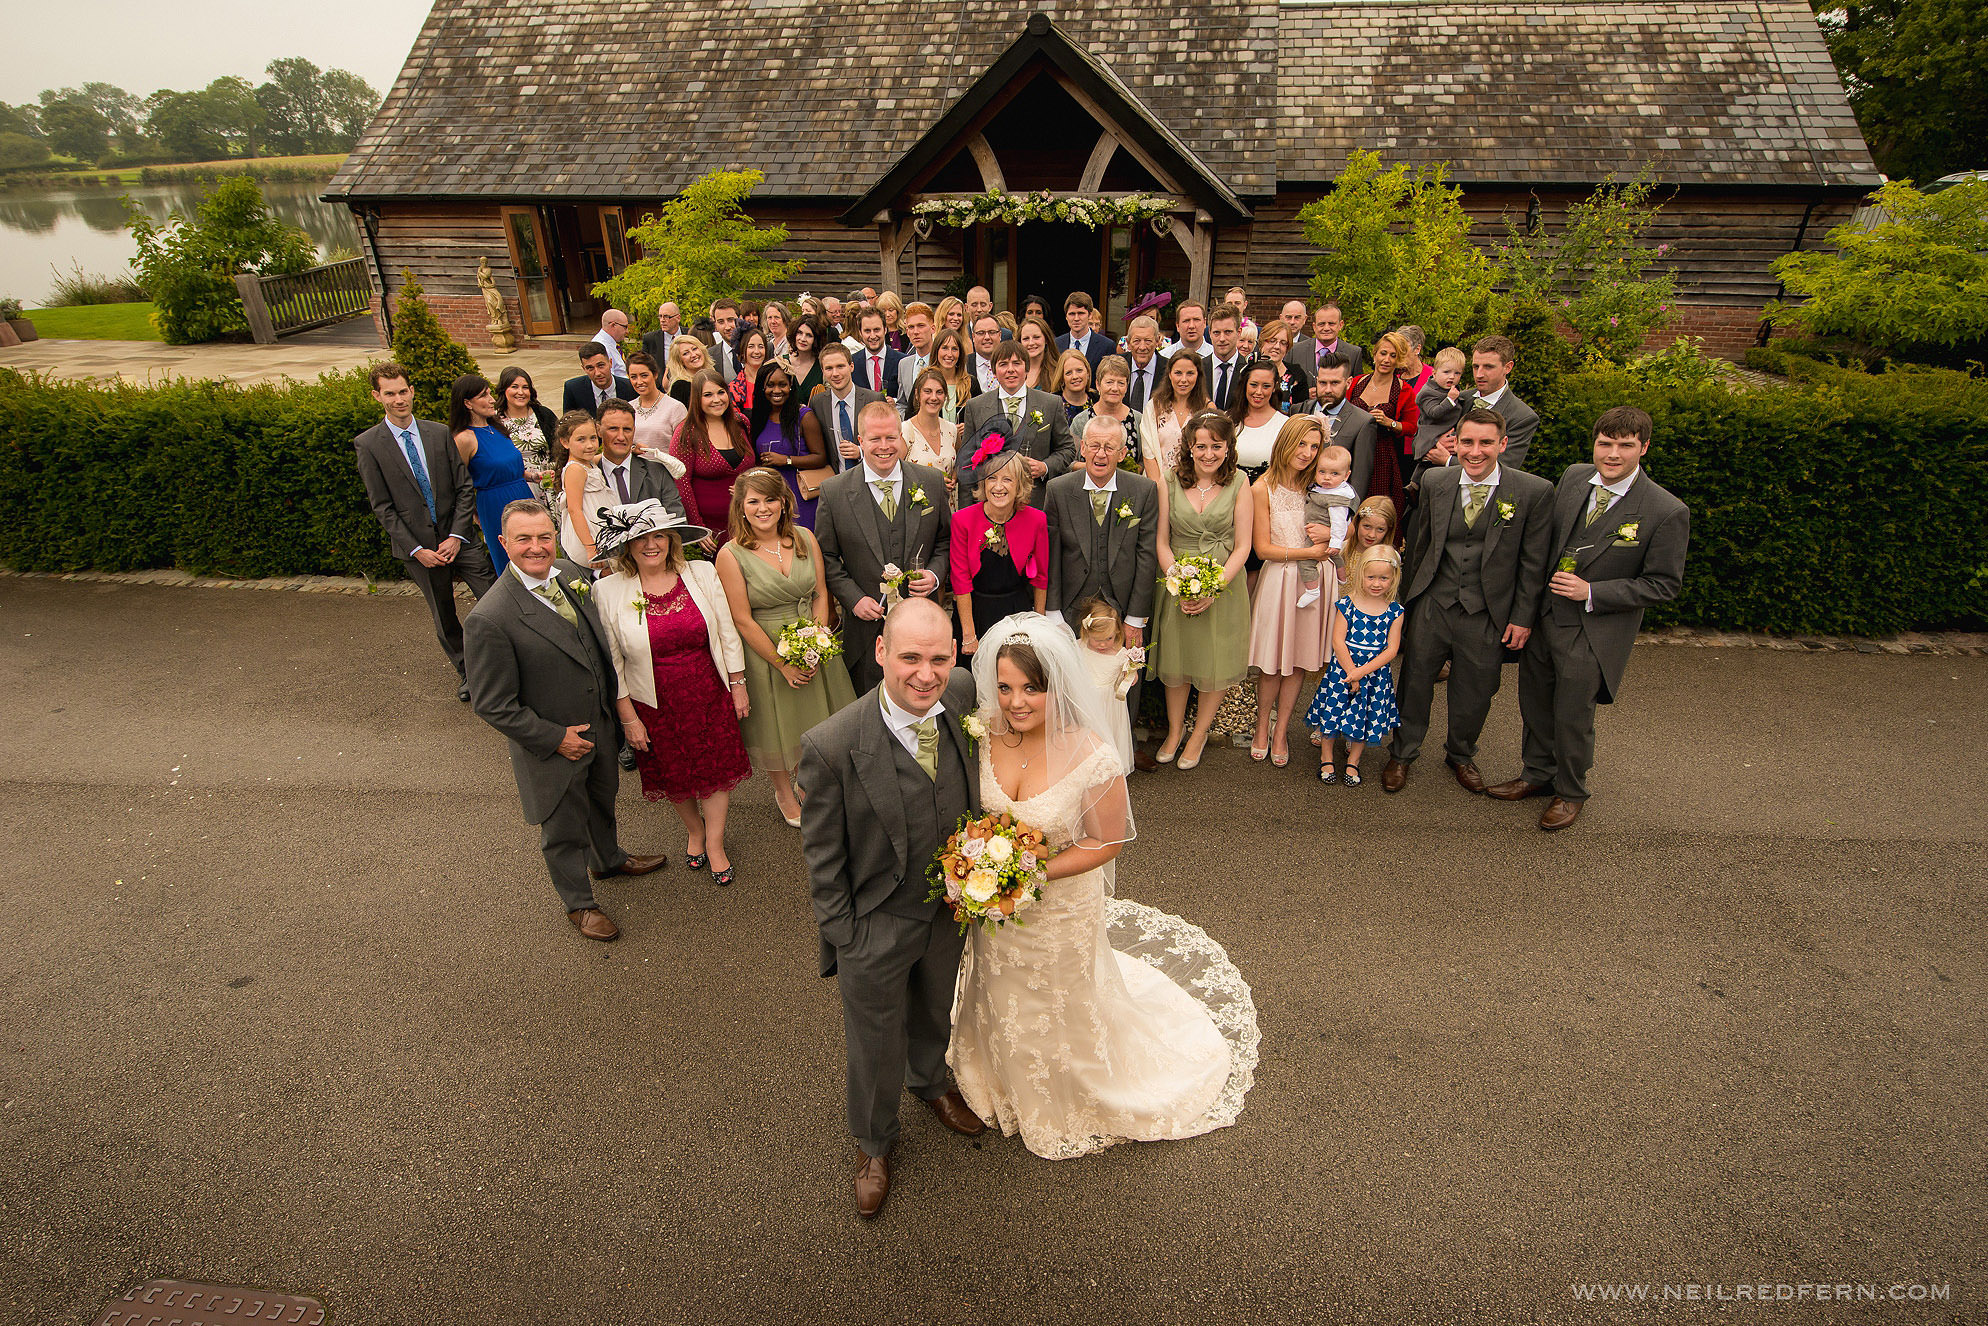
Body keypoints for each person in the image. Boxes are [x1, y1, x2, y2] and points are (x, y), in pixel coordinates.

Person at [949, 613, 1254, 1160]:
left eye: (1030, 690)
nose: (1015, 702)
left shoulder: (1092, 754)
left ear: (1056, 687)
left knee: (1060, 998)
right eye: (1004, 687)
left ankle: (1075, 1088)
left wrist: (1030, 873)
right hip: (996, 909)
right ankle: (1000, 1076)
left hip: (1060, 909)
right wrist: (978, 869)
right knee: (999, 989)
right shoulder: (984, 734)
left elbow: (1106, 843)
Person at [799, 597, 987, 1217]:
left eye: (938, 657)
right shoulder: (830, 745)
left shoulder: (962, 695)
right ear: (880, 652)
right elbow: (823, 857)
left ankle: (930, 1081)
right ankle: (874, 1143)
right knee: (873, 1040)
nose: (926, 674)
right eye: (909, 657)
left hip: (947, 911)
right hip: (874, 921)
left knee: (937, 1005)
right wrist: (846, 936)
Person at [463, 500, 667, 942]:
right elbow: (492, 703)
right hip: (555, 745)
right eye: (523, 539)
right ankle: (579, 903)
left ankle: (608, 858)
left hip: (600, 727)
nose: (536, 548)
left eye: (543, 537)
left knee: (601, 800)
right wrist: (554, 739)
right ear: (503, 543)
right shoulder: (490, 618)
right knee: (562, 828)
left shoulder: (571, 575)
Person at [1493, 406, 1690, 830]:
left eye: (1625, 446)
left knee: (1572, 713)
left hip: (1592, 629)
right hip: (1544, 618)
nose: (1613, 454)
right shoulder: (1574, 477)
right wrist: (1524, 614)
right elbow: (1542, 547)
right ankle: (1536, 774)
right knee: (1534, 703)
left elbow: (1662, 585)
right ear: (1595, 444)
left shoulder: (1665, 510)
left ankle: (1570, 791)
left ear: (1644, 448)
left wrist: (1593, 592)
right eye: (1606, 443)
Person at [1381, 407, 1555, 797]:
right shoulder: (1436, 482)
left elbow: (1533, 562)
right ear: (1455, 443)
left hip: (1489, 611)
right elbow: (1420, 545)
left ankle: (1460, 754)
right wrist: (1403, 607)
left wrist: (1523, 617)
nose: (1475, 452)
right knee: (1414, 681)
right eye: (1468, 442)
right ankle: (1403, 752)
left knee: (1477, 688)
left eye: (1486, 443)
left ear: (1503, 444)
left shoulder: (1532, 491)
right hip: (1433, 602)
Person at [592, 500, 751, 885]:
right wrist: (628, 718)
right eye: (641, 537)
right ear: (626, 545)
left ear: (672, 539)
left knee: (714, 770)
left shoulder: (700, 572)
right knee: (675, 775)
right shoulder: (607, 590)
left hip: (707, 690)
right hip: (653, 703)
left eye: (659, 535)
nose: (652, 544)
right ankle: (694, 832)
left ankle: (714, 843)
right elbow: (612, 662)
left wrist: (738, 683)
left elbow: (726, 630)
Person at [714, 470, 855, 827]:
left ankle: (811, 782)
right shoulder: (730, 555)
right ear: (741, 508)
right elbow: (742, 619)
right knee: (777, 725)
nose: (764, 508)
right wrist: (783, 663)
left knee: (818, 718)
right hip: (767, 649)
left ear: (783, 502)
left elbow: (821, 591)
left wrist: (818, 641)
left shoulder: (805, 537)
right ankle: (783, 790)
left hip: (813, 639)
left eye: (770, 499)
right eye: (754, 502)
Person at [353, 362, 497, 699]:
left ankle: (506, 664)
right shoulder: (369, 444)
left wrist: (456, 536)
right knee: (444, 614)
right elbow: (382, 506)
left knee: (494, 600)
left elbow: (463, 487)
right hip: (419, 550)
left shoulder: (438, 433)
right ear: (378, 396)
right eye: (390, 393)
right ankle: (469, 674)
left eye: (403, 391)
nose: (399, 399)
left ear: (412, 391)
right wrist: (417, 549)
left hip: (460, 539)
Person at [1042, 414, 1160, 768]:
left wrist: (1136, 617)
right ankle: (1075, 752)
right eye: (1094, 445)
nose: (1101, 453)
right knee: (1075, 680)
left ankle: (1120, 749)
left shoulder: (1142, 490)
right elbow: (1052, 554)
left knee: (1123, 678)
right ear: (1082, 446)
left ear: (1123, 451)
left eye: (1110, 446)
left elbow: (1146, 554)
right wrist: (1052, 613)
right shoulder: (1059, 489)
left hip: (1122, 603)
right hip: (1072, 605)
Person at [815, 400, 953, 691]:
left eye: (891, 437)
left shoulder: (930, 482)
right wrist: (853, 599)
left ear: (901, 438)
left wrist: (935, 575)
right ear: (860, 441)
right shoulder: (835, 491)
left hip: (922, 626)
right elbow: (826, 556)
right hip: (866, 632)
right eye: (875, 439)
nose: (884, 446)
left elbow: (945, 541)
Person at [1149, 413, 1254, 769]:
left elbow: (1243, 546)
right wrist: (1176, 582)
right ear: (1189, 447)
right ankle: (1176, 731)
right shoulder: (1169, 480)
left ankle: (1199, 733)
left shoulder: (1240, 482)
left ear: (1228, 448)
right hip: (1177, 581)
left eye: (1216, 446)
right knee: (1177, 658)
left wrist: (1214, 588)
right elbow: (1161, 541)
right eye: (1201, 446)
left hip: (1222, 583)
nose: (1208, 453)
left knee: (1215, 659)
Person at [1247, 416, 1332, 767]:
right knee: (1270, 662)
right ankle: (1261, 724)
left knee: (1297, 659)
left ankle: (1282, 729)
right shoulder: (1260, 488)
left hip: (1315, 580)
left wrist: (1333, 539)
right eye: (1302, 444)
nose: (1308, 453)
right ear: (1286, 442)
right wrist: (1308, 553)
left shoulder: (1322, 485)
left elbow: (1350, 523)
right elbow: (1263, 549)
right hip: (1279, 577)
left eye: (1315, 446)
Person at [1306, 544, 1405, 786]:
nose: (1376, 583)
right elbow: (1338, 640)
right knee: (1333, 713)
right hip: (1343, 670)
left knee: (1364, 717)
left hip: (1373, 674)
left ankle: (1354, 761)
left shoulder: (1394, 611)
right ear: (1361, 574)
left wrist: (1362, 672)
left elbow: (1392, 649)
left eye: (1384, 578)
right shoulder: (1347, 604)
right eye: (1371, 577)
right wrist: (1351, 671)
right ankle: (1326, 756)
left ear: (1394, 578)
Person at [951, 445, 1047, 658]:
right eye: (992, 478)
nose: (998, 486)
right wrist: (969, 635)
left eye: (1007, 479)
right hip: (974, 613)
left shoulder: (1036, 520)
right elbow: (960, 580)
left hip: (1017, 614)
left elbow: (1041, 578)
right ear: (983, 484)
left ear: (1019, 485)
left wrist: (1039, 627)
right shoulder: (962, 520)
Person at [958, 339, 1076, 507]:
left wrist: (1045, 466)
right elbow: (967, 463)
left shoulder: (1051, 404)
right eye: (1003, 364)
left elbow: (1067, 448)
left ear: (1026, 369)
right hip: (990, 503)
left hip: (1036, 502)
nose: (1010, 370)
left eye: (1016, 363)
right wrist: (966, 513)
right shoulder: (976, 407)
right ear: (994, 370)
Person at [449, 374, 539, 577]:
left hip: (524, 494)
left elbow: (505, 467)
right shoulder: (464, 438)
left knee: (537, 553)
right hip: (495, 505)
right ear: (467, 403)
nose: (492, 400)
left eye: (490, 393)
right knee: (512, 560)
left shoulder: (497, 428)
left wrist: (532, 476)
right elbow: (457, 483)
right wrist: (473, 514)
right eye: (484, 395)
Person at [670, 369, 757, 548]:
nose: (716, 400)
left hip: (748, 521)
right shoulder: (686, 433)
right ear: (697, 399)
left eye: (721, 392)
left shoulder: (741, 423)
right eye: (708, 395)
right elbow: (682, 484)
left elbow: (753, 467)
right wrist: (699, 529)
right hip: (711, 532)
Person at [747, 360, 829, 529]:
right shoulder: (758, 417)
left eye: (782, 384)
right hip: (769, 498)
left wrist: (787, 460)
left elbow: (821, 458)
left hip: (801, 496)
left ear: (791, 385)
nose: (777, 391)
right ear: (762, 387)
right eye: (770, 385)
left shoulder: (804, 416)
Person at [1346, 331, 1416, 520]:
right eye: (1383, 353)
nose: (1386, 359)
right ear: (1375, 354)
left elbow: (1411, 427)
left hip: (1383, 456)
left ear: (1399, 360)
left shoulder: (1403, 389)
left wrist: (1390, 423)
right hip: (1353, 452)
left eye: (1393, 356)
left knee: (1377, 509)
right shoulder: (1357, 382)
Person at [596, 398, 689, 522]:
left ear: (634, 430)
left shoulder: (657, 473)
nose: (621, 437)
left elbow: (678, 523)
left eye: (627, 429)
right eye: (613, 429)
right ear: (598, 430)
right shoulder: (586, 475)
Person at [1073, 596, 1138, 768]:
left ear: (1117, 632)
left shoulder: (1121, 654)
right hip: (1086, 701)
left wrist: (1130, 675)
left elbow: (1130, 673)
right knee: (1088, 735)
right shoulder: (1080, 646)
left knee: (1108, 736)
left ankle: (1108, 768)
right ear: (1086, 633)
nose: (1102, 644)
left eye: (1108, 639)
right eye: (1097, 640)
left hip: (1110, 706)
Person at [1309, 352, 1382, 502]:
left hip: (1333, 509)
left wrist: (1348, 519)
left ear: (1348, 383)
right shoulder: (1299, 410)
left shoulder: (1363, 422)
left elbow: (1359, 482)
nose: (1328, 389)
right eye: (1322, 383)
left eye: (1335, 383)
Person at [1466, 334, 1540, 470]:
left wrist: (1447, 460)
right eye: (1476, 367)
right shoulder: (1460, 399)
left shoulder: (1522, 417)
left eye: (1488, 367)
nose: (1479, 374)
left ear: (1508, 367)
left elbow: (1504, 466)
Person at [809, 341, 883, 474]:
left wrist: (861, 451)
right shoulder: (818, 403)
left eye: (840, 366)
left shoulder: (873, 399)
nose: (835, 373)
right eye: (829, 368)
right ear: (823, 372)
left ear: (851, 366)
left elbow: (887, 442)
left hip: (871, 475)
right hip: (836, 481)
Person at [1139, 348, 1210, 484]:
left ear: (1198, 375)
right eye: (1178, 373)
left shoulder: (1206, 409)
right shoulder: (1154, 406)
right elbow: (1148, 454)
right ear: (1170, 375)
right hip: (1158, 483)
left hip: (1196, 486)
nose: (1183, 380)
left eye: (1190, 373)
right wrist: (1160, 488)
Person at [1299, 443, 1358, 606]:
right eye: (1322, 472)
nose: (1326, 478)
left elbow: (1340, 524)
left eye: (1334, 474)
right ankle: (1342, 578)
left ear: (1346, 476)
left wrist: (1335, 541)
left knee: (1306, 561)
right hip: (1321, 532)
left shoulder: (1337, 498)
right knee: (1335, 556)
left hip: (1319, 532)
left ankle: (1312, 590)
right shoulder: (1321, 488)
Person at [555, 411, 609, 565]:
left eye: (593, 438)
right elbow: (574, 509)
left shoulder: (588, 463)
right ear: (565, 443)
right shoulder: (575, 469)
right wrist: (590, 546)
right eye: (581, 440)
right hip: (589, 533)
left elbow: (602, 458)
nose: (590, 445)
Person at [1069, 354, 1140, 470]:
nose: (1115, 388)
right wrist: (1101, 469)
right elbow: (1069, 462)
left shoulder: (1138, 420)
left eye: (1121, 383)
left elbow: (1142, 462)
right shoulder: (1081, 421)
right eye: (1109, 382)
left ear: (1127, 387)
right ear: (1098, 384)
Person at [494, 366, 560, 486]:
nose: (521, 392)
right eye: (514, 387)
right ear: (504, 390)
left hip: (547, 483)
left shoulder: (543, 414)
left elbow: (561, 446)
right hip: (515, 484)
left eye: (525, 387)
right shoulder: (494, 420)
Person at [1412, 347, 1470, 478]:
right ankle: (1415, 483)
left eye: (1457, 373)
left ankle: (1415, 483)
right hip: (1431, 432)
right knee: (1427, 462)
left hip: (1448, 433)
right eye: (1446, 372)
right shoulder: (1427, 392)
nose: (1452, 377)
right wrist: (1450, 400)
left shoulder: (1453, 390)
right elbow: (1433, 412)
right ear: (1434, 373)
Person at [1227, 358, 1288, 482]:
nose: (1258, 392)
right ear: (1245, 384)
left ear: (1275, 387)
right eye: (1254, 385)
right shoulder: (1228, 420)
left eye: (1266, 386)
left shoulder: (1285, 425)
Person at [900, 366, 960, 488]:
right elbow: (895, 473)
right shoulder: (905, 431)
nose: (933, 397)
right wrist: (934, 482)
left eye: (939, 392)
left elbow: (959, 463)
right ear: (917, 394)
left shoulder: (952, 430)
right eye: (927, 391)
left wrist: (955, 474)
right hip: (920, 505)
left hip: (950, 504)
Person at [624, 351, 688, 457]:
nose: (639, 382)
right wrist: (633, 449)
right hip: (636, 469)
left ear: (655, 375)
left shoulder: (675, 408)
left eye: (644, 375)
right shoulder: (628, 407)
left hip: (665, 470)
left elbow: (685, 448)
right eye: (633, 377)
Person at [1292, 301, 1365, 379]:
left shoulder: (1353, 353)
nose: (1326, 328)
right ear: (1314, 326)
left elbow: (1356, 388)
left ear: (1341, 325)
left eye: (1331, 324)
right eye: (1321, 324)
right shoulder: (1295, 350)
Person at [561, 344, 635, 416]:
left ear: (610, 363)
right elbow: (568, 425)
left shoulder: (630, 387)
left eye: (601, 366)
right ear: (584, 369)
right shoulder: (573, 389)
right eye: (590, 368)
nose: (597, 373)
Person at [1255, 322, 1311, 414]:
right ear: (1262, 343)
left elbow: (1301, 414)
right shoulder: (1248, 371)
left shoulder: (1297, 375)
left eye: (1283, 343)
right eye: (1272, 341)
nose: (1277, 346)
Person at [848, 307, 903, 400]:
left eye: (876, 330)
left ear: (885, 330)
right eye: (867, 331)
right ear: (860, 333)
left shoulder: (901, 361)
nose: (872, 336)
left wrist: (896, 403)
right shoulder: (852, 363)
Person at [893, 301, 937, 404]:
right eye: (911, 327)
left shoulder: (944, 361)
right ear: (907, 332)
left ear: (933, 329)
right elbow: (902, 403)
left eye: (921, 326)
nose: (916, 332)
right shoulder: (903, 364)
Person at [1056, 292, 1112, 374]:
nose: (1076, 318)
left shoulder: (1107, 346)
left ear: (1090, 315)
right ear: (1066, 317)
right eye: (1072, 314)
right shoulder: (1056, 344)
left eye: (1080, 313)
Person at [926, 329, 974, 423]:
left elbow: (980, 419)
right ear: (936, 350)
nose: (949, 354)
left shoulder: (970, 383)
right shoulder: (924, 381)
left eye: (954, 349)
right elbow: (912, 418)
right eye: (945, 348)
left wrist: (968, 428)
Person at [1206, 304, 1247, 411]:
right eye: (1216, 333)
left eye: (1228, 332)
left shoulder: (1248, 370)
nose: (1222, 338)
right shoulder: (1197, 369)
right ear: (1209, 333)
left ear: (1239, 333)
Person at [1121, 315, 1163, 413]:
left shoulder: (1169, 369)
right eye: (1137, 341)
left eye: (1148, 341)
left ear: (1157, 342)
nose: (1142, 347)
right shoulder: (1116, 365)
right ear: (1128, 343)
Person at [729, 327, 770, 415]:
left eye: (761, 346)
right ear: (743, 351)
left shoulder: (773, 381)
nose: (756, 351)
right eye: (751, 346)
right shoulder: (734, 388)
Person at [784, 315, 824, 400]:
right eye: (799, 333)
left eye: (809, 335)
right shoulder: (782, 363)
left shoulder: (822, 367)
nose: (803, 339)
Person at [663, 335, 710, 407]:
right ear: (680, 361)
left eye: (694, 349)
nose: (693, 355)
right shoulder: (680, 387)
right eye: (686, 353)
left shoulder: (713, 374)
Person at [1018, 314, 1059, 393]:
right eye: (1026, 339)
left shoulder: (1058, 371)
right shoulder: (1013, 370)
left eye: (1036, 337)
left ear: (1046, 339)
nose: (1031, 343)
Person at [703, 299, 740, 380]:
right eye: (721, 322)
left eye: (731, 320)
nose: (727, 327)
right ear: (715, 324)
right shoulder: (709, 356)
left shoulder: (760, 348)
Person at [968, 313, 1004, 392]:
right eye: (981, 333)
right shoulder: (963, 365)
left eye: (992, 332)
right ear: (973, 337)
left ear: (1000, 335)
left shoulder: (1011, 363)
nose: (987, 337)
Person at [591, 309, 630, 378]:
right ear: (613, 325)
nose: (627, 332)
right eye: (625, 327)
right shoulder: (601, 347)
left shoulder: (611, 344)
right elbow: (608, 379)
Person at [1055, 350, 1094, 421]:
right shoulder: (1052, 404)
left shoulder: (1098, 399)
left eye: (1079, 370)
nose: (1075, 376)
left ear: (1088, 373)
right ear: (1062, 378)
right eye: (1068, 373)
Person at [641, 301, 683, 366]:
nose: (662, 320)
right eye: (660, 316)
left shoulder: (691, 334)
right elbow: (643, 365)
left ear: (678, 318)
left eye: (666, 316)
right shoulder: (650, 339)